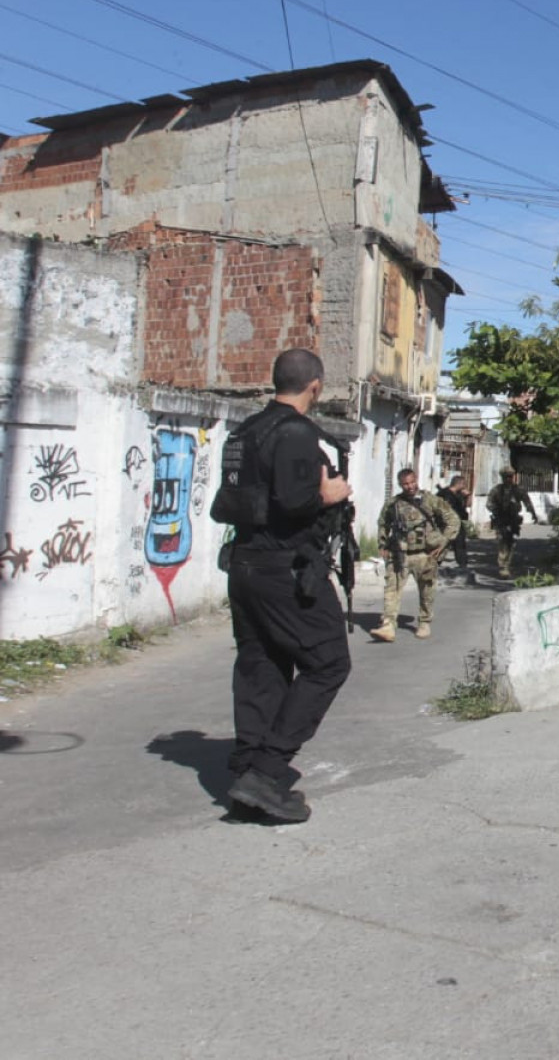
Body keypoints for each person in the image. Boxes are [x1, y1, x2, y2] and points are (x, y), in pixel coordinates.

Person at [218, 347, 354, 823]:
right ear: (315, 387)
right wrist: (330, 493)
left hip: (245, 564)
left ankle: (247, 767)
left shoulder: (244, 431)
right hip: (285, 567)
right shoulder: (295, 432)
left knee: (263, 665)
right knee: (328, 663)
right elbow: (296, 503)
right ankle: (268, 768)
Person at [371, 469, 460, 641]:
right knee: (392, 589)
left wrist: (443, 541)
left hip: (424, 554)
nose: (410, 486)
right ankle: (388, 624)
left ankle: (424, 622)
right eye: (405, 484)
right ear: (400, 484)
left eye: (412, 482)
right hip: (400, 554)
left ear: (416, 480)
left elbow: (453, 520)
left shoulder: (430, 500)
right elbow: (383, 523)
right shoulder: (393, 504)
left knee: (426, 590)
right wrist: (383, 543)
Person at [486, 468, 541, 578]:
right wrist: (496, 510)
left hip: (513, 520)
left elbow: (527, 502)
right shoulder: (497, 490)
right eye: (506, 477)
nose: (508, 479)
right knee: (502, 543)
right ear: (502, 478)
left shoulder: (518, 489)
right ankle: (503, 568)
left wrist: (533, 514)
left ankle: (507, 565)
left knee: (511, 544)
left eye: (510, 477)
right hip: (501, 520)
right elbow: (489, 503)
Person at [436, 472, 475, 581]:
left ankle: (462, 565)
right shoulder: (444, 494)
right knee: (442, 545)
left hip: (458, 523)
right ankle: (434, 564)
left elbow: (467, 506)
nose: (465, 486)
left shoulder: (458, 495)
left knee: (460, 545)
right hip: (446, 525)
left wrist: (468, 495)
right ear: (459, 484)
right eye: (463, 484)